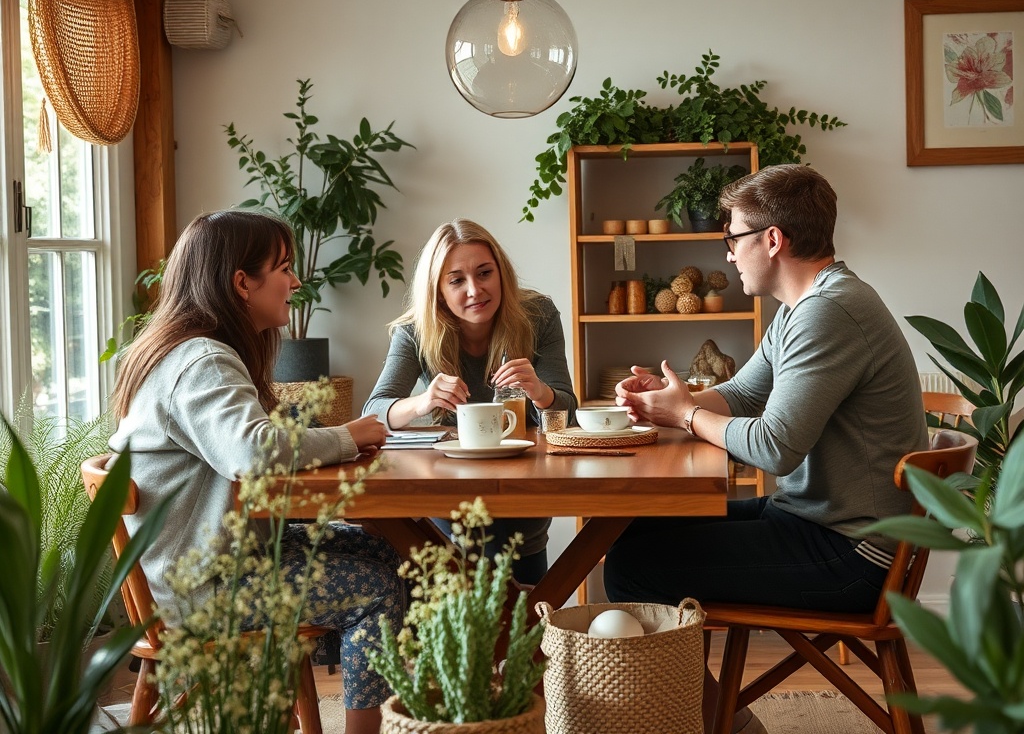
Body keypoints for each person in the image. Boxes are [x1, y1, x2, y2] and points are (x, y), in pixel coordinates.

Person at [604, 164, 927, 734]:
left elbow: (775, 446)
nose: (728, 254)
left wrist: (686, 415)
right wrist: (677, 397)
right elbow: (745, 393)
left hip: (853, 554)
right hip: (816, 522)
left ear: (772, 239)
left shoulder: (829, 312)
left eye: (733, 238)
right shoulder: (804, 307)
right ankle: (707, 717)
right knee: (631, 531)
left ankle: (708, 723)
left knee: (634, 567)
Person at [109, 209, 402, 734]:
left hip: (212, 560)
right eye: (284, 268)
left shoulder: (193, 353)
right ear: (241, 283)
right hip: (205, 586)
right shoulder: (202, 361)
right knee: (377, 587)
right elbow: (252, 451)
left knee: (384, 549)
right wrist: (347, 434)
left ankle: (396, 704)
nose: (295, 281)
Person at [363, 218, 578, 584]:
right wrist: (422, 401)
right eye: (457, 280)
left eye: (484, 273)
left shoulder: (537, 315)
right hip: (447, 496)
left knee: (522, 619)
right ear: (438, 291)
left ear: (501, 274)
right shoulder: (415, 330)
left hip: (521, 493)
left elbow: (567, 414)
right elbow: (374, 412)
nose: (475, 290)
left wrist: (539, 391)